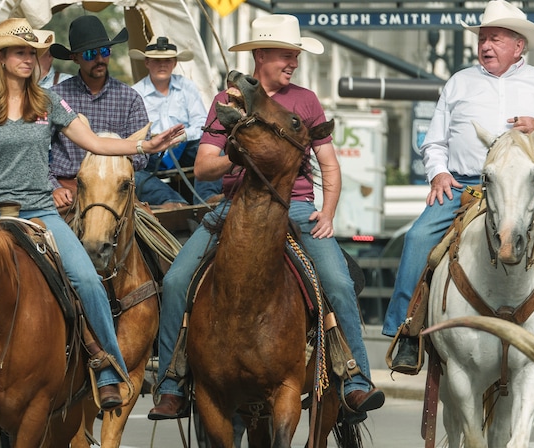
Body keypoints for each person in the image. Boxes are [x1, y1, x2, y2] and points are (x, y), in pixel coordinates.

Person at [0, 17, 185, 415]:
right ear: (1, 58)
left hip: (39, 210)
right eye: (21, 51)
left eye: (33, 52)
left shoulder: (49, 103)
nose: (29, 58)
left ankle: (106, 368)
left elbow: (95, 142)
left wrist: (146, 145)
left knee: (86, 279)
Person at [148, 14, 385, 421]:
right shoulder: (228, 102)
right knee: (174, 281)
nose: (293, 63)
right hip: (235, 206)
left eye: (295, 56)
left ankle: (355, 381)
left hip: (294, 207)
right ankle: (173, 385)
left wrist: (326, 212)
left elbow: (328, 165)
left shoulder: (306, 101)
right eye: (285, 55)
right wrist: (235, 155)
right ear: (260, 55)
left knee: (338, 283)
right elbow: (204, 168)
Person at [383, 0, 534, 372]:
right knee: (417, 239)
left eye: (494, 38)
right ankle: (407, 331)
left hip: (531, 185)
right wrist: (438, 174)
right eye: (482, 38)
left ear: (518, 46)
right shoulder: (459, 82)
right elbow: (434, 142)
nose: (485, 46)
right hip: (464, 184)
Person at [48, 15, 185, 211]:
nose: (99, 59)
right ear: (75, 58)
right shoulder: (56, 96)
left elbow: (141, 159)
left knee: (171, 207)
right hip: (69, 186)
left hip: (120, 184)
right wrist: (54, 187)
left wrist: (109, 171)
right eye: (89, 54)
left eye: (104, 51)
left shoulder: (130, 98)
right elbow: (37, 153)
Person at [130, 36, 223, 205]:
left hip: (184, 148)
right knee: (132, 172)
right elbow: (132, 135)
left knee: (212, 147)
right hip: (150, 155)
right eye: (157, 60)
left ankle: (208, 196)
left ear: (174, 63)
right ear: (147, 63)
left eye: (167, 60)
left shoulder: (187, 86)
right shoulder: (134, 93)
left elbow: (203, 124)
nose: (162, 65)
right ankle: (172, 201)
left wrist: (182, 136)